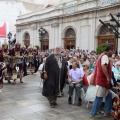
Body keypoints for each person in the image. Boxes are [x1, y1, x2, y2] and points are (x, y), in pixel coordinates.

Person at [90, 46, 114, 118]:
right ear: (109, 50)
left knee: (109, 96)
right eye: (112, 51)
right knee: (99, 97)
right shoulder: (105, 56)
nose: (112, 53)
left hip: (102, 80)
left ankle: (107, 112)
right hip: (102, 81)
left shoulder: (101, 55)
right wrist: (107, 76)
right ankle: (93, 114)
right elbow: (103, 66)